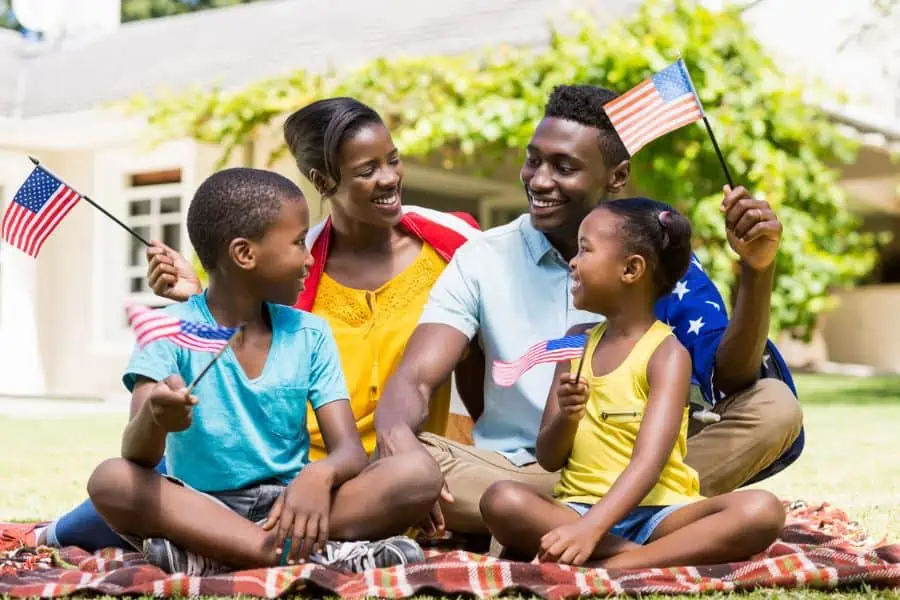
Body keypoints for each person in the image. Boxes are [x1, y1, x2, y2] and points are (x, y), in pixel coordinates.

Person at [35, 97, 480, 550]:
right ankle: (266, 548)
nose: (389, 177)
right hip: (277, 462)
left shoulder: (451, 248)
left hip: (356, 474)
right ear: (323, 181)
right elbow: (237, 311)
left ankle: (219, 549)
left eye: (393, 160)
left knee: (416, 476)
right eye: (367, 170)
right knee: (132, 478)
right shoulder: (296, 267)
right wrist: (197, 298)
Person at [374, 84, 804, 536]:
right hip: (520, 472)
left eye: (564, 167)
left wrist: (757, 272)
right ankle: (643, 527)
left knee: (775, 405)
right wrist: (399, 442)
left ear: (616, 177)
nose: (539, 180)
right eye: (533, 159)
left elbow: (732, 379)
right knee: (408, 461)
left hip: (643, 466)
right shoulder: (482, 258)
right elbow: (416, 377)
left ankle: (566, 525)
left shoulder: (651, 258)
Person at [85, 167, 442, 575]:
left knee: (418, 473)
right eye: (297, 243)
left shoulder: (310, 333)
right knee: (111, 479)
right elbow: (136, 454)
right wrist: (155, 418)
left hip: (293, 504)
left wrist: (319, 474)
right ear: (245, 254)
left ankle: (215, 556)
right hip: (203, 508)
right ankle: (290, 554)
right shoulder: (170, 329)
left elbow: (349, 452)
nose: (310, 259)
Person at [479, 198, 785, 567]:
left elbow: (648, 464)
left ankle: (613, 563)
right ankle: (642, 559)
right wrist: (568, 418)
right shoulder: (575, 342)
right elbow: (548, 456)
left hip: (660, 513)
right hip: (576, 506)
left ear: (631, 269)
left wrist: (591, 530)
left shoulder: (668, 354)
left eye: (585, 250)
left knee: (761, 510)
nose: (573, 261)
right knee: (501, 500)